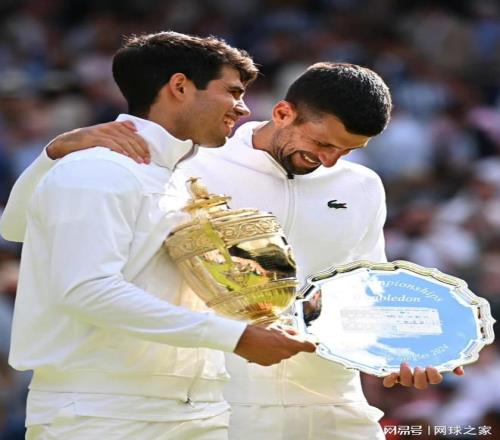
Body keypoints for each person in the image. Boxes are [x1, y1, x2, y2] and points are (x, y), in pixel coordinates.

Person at [1, 62, 464, 439]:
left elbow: (366, 286)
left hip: (336, 400)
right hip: (225, 403)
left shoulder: (363, 185)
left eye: (347, 150)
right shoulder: (192, 164)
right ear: (283, 112)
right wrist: (54, 153)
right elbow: (19, 227)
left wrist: (403, 351)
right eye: (322, 143)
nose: (329, 160)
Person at [0, 31, 317, 440]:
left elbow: (15, 227)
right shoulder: (97, 169)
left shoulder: (180, 176)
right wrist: (235, 337)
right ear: (180, 86)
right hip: (102, 415)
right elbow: (86, 289)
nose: (243, 108)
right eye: (233, 92)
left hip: (198, 409)